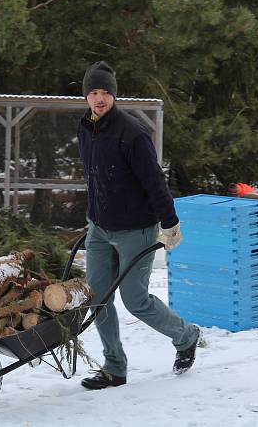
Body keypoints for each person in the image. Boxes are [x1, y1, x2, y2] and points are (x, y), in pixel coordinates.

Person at [77, 61, 201, 390]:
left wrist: (170, 223)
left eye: (105, 92)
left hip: (136, 230)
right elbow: (94, 178)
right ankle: (114, 367)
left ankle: (186, 336)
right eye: (93, 92)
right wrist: (92, 216)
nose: (99, 99)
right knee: (97, 298)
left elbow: (154, 182)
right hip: (100, 228)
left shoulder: (132, 134)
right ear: (86, 96)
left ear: (114, 96)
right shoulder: (85, 128)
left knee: (136, 300)